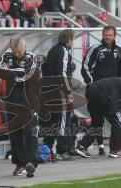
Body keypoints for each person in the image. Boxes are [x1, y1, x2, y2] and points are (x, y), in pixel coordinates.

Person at [81, 25, 121, 155]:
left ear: (114, 36)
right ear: (102, 35)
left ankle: (82, 146)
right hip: (97, 91)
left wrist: (118, 89)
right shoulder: (95, 49)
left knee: (97, 122)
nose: (107, 37)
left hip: (111, 93)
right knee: (118, 120)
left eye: (110, 35)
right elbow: (85, 67)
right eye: (105, 34)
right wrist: (92, 84)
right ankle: (116, 148)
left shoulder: (120, 51)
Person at [0, 36, 38, 178]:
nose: (17, 54)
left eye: (19, 52)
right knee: (15, 132)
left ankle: (31, 162)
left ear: (24, 47)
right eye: (15, 52)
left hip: (29, 99)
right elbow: (1, 72)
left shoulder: (32, 57)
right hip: (11, 99)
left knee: (29, 132)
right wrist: (17, 71)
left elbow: (28, 75)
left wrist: (12, 73)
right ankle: (20, 163)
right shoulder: (6, 56)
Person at [75, 77, 121, 158]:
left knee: (97, 123)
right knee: (119, 122)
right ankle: (115, 150)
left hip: (91, 91)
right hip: (103, 93)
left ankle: (82, 146)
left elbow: (119, 107)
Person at [41, 29, 75, 160]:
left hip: (49, 91)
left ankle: (47, 147)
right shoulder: (64, 51)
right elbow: (62, 73)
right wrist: (68, 91)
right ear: (69, 40)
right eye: (73, 39)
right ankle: (62, 150)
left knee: (52, 122)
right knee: (62, 122)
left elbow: (44, 69)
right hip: (59, 92)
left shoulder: (52, 50)